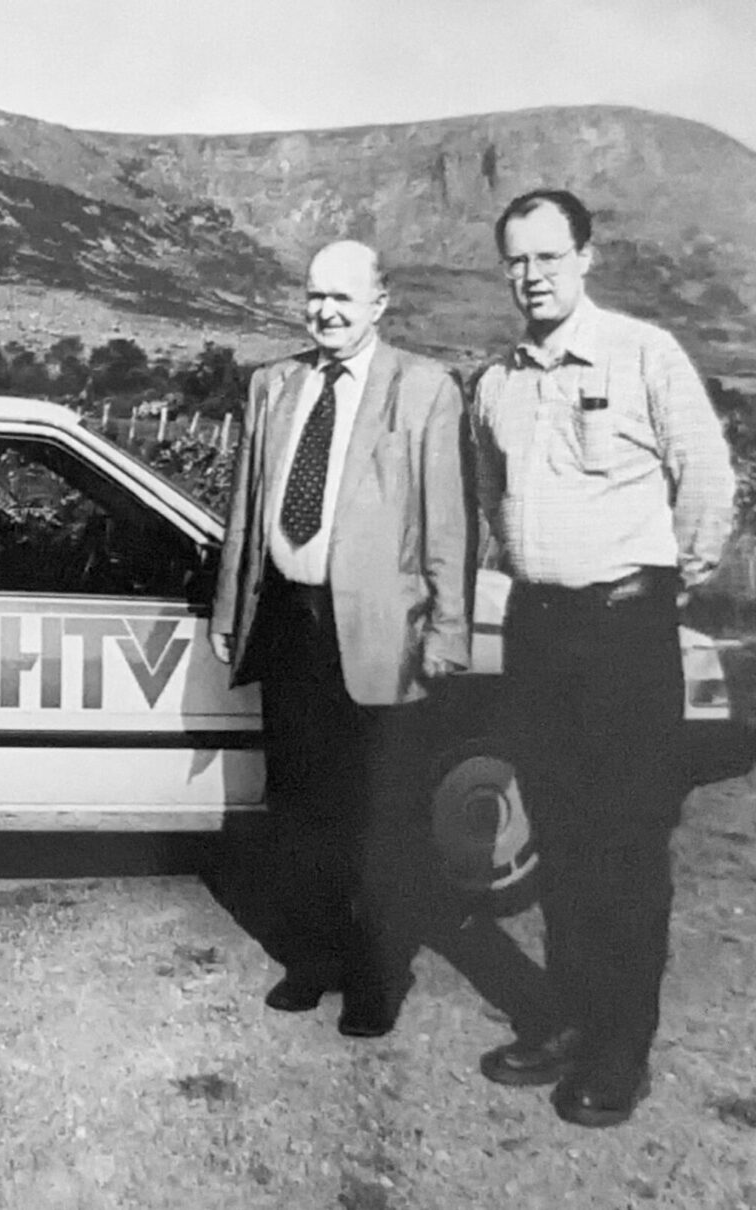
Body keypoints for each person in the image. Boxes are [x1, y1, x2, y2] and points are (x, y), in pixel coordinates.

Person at [469, 189, 735, 1128]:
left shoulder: (641, 353)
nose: (531, 276)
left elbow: (706, 480)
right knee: (563, 837)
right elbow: (492, 494)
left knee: (624, 848)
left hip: (624, 634)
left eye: (548, 256)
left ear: (586, 256)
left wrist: (664, 589)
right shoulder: (497, 383)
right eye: (516, 260)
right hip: (539, 634)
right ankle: (570, 1023)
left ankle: (622, 1050)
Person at [210, 240, 471, 1039]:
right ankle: (312, 960)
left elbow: (449, 527)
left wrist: (448, 634)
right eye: (316, 295)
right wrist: (230, 614)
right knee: (298, 809)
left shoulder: (425, 391)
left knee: (377, 821)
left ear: (380, 305)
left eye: (344, 300)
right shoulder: (274, 385)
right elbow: (248, 515)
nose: (325, 311)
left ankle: (373, 977)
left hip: (379, 637)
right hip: (289, 623)